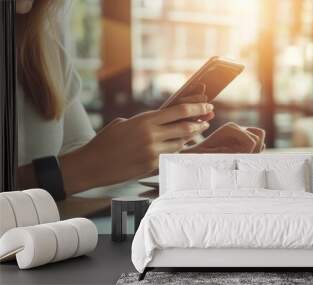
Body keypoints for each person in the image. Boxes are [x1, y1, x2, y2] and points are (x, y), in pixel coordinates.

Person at [15, 0, 264, 198]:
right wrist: (88, 166)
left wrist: (185, 161)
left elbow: (79, 157)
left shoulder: (41, 49)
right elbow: (83, 168)